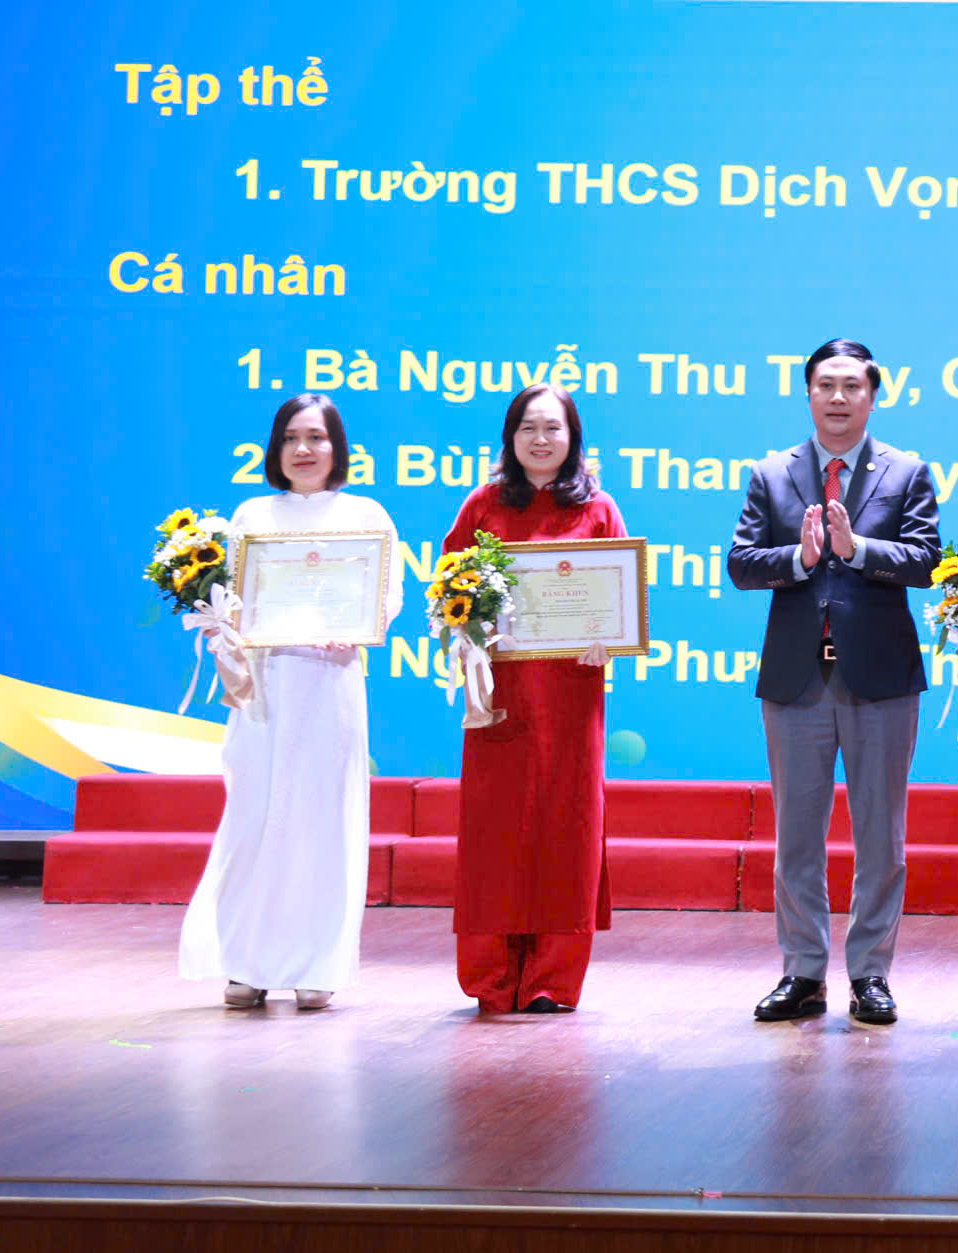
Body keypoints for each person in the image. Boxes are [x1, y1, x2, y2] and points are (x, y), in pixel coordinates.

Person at [729, 338, 941, 1026]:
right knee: (797, 835)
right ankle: (802, 971)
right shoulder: (771, 473)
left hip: (880, 677)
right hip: (796, 679)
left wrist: (857, 549)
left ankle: (870, 973)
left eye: (853, 386)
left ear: (873, 396)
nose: (839, 397)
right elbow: (741, 563)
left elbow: (926, 561)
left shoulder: (906, 471)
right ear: (808, 393)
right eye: (826, 385)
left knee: (880, 836)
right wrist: (799, 557)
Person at [181, 395, 400, 1012]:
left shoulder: (367, 515)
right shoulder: (251, 516)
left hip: (331, 686)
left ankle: (316, 965)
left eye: (317, 437)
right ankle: (246, 964)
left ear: (338, 447)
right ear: (275, 449)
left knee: (323, 823)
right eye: (291, 438)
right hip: (264, 687)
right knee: (256, 817)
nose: (304, 450)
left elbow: (387, 597)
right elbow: (230, 599)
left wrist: (358, 627)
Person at [439, 383, 625, 1014]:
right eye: (528, 428)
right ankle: (492, 977)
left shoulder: (598, 509)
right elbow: (450, 586)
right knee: (496, 829)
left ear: (573, 438)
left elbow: (619, 596)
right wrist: (466, 628)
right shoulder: (482, 504)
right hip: (499, 694)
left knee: (565, 825)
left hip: (572, 694)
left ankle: (552, 979)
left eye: (553, 427)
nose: (541, 439)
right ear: (510, 438)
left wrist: (608, 639)